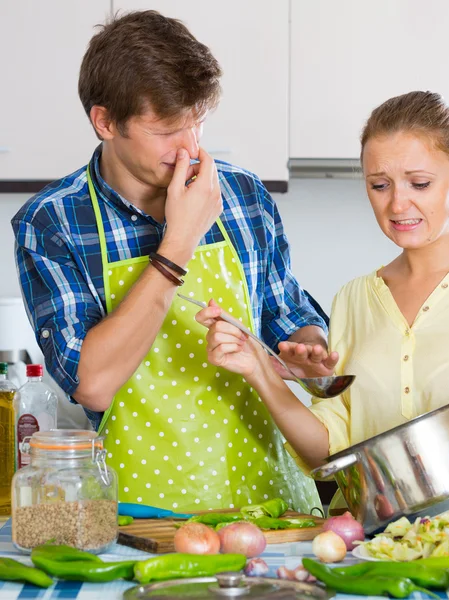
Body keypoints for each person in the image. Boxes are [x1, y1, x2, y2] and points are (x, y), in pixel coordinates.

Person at [12, 10, 338, 513]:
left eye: (198, 124)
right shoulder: (52, 223)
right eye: (166, 130)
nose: (189, 148)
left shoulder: (243, 193)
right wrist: (180, 239)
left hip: (273, 510)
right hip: (140, 520)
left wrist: (307, 352)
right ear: (105, 121)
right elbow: (93, 385)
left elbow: (289, 319)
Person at [197, 91, 449, 520]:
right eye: (380, 185)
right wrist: (259, 371)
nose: (397, 204)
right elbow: (326, 447)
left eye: (420, 184)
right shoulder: (353, 299)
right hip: (365, 551)